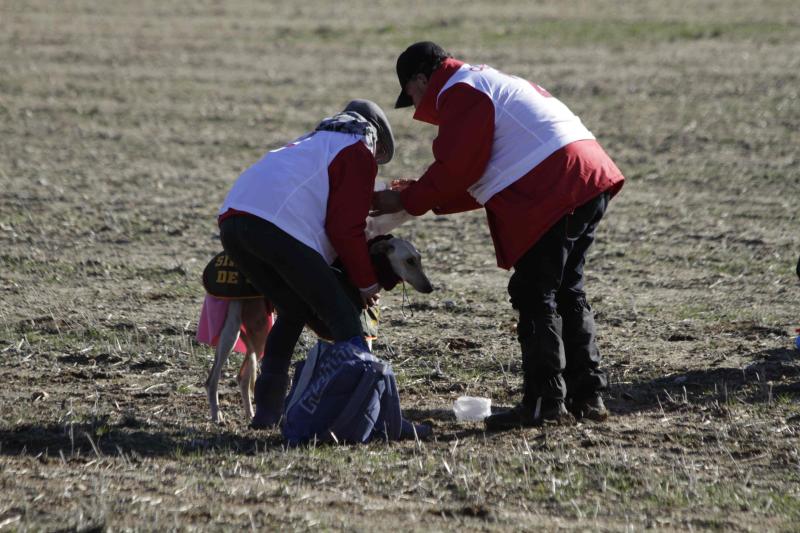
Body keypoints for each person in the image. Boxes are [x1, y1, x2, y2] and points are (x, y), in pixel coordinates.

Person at [372, 42, 625, 429]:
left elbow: (459, 169)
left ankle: (544, 402)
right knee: (566, 289)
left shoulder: (459, 91)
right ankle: (587, 396)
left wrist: (407, 198)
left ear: (422, 79)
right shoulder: (484, 82)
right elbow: (478, 175)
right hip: (586, 174)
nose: (417, 106)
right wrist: (418, 194)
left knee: (534, 291)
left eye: (412, 94)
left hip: (555, 182)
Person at [218, 99, 394, 429]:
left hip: (233, 221)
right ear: (376, 139)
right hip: (279, 228)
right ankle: (364, 410)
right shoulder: (357, 149)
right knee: (343, 318)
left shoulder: (311, 142)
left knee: (293, 309)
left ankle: (268, 413)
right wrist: (366, 281)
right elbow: (344, 228)